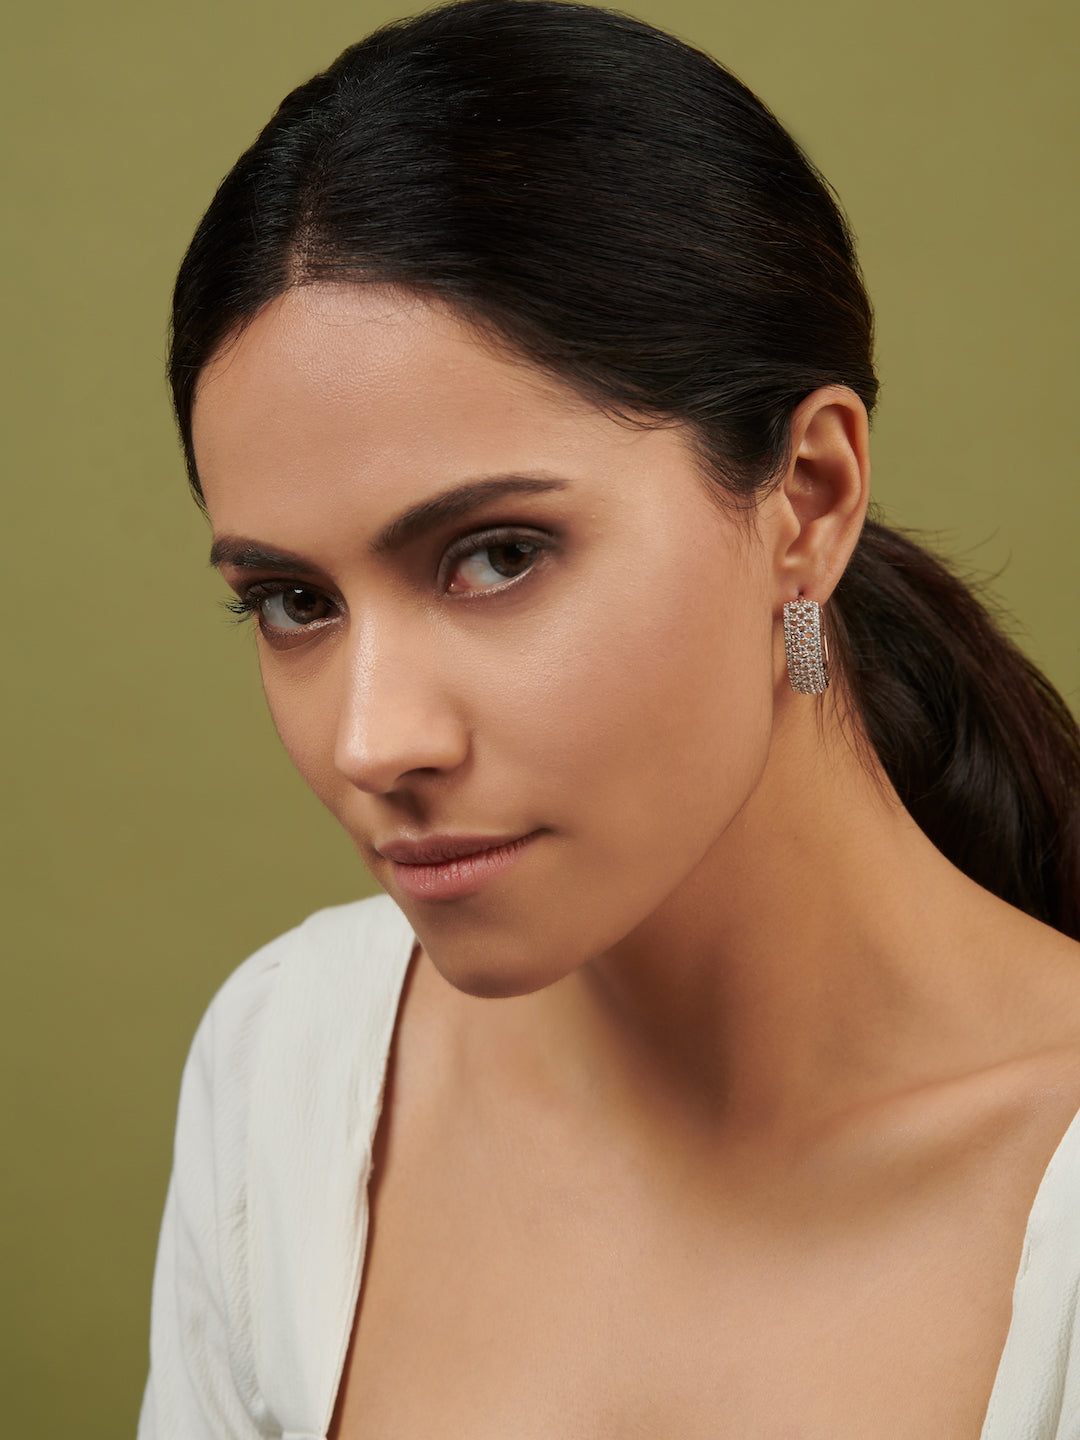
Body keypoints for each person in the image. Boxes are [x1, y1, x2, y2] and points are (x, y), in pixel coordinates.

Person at [139, 1, 1080, 1435]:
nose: (372, 742)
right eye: (293, 601)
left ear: (808, 500)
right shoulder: (289, 1070)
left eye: (498, 555)